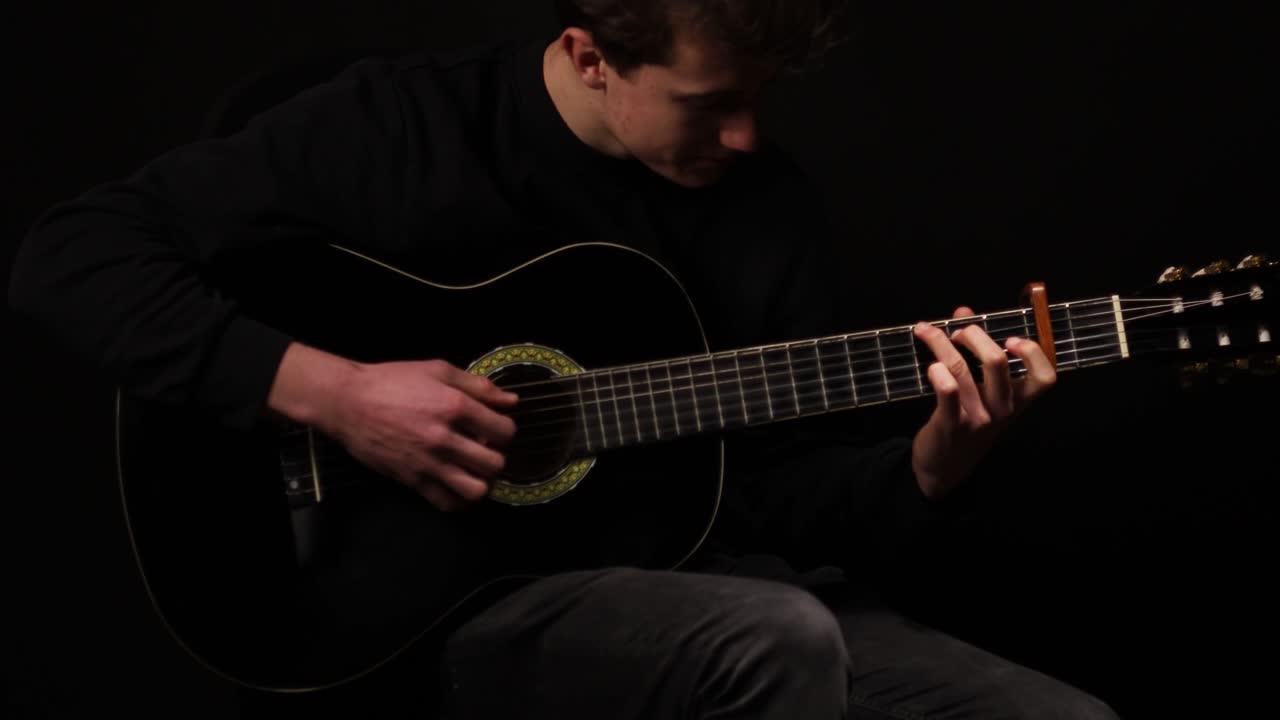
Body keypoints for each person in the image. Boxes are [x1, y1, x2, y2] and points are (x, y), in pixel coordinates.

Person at [8, 1, 1120, 718]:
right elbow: (70, 254)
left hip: (703, 580)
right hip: (438, 609)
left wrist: (932, 464)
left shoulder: (764, 207)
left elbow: (784, 495)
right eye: (708, 103)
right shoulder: (404, 127)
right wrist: (333, 392)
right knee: (771, 639)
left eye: (759, 102)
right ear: (589, 55)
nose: (743, 138)